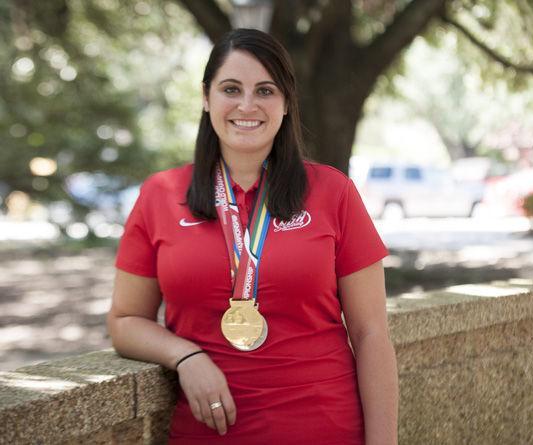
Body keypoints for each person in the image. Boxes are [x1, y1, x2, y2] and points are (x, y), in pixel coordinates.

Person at [107, 28, 398, 444]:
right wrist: (185, 356)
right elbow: (125, 321)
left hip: (325, 428)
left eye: (265, 90)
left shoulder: (334, 192)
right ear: (206, 99)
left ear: (285, 103)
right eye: (231, 89)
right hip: (207, 434)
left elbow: (371, 334)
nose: (247, 105)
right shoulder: (160, 195)